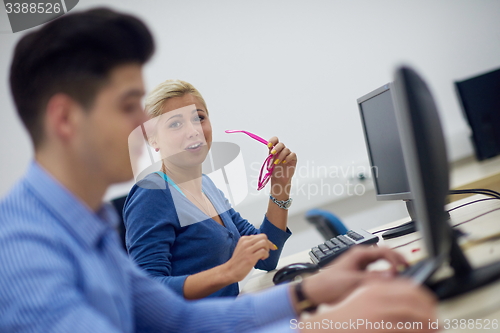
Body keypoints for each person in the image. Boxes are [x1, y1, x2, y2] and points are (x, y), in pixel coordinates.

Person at [0, 7, 438, 333]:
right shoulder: (24, 249)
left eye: (198, 117)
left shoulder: (88, 225)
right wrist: (323, 325)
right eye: (128, 106)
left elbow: (177, 317)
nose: (140, 124)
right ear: (64, 120)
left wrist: (309, 293)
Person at [123, 79, 295, 299]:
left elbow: (266, 255)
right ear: (152, 139)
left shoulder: (206, 185)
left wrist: (280, 187)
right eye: (175, 124)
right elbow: (149, 293)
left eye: (199, 118)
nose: (194, 130)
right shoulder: (152, 193)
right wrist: (228, 271)